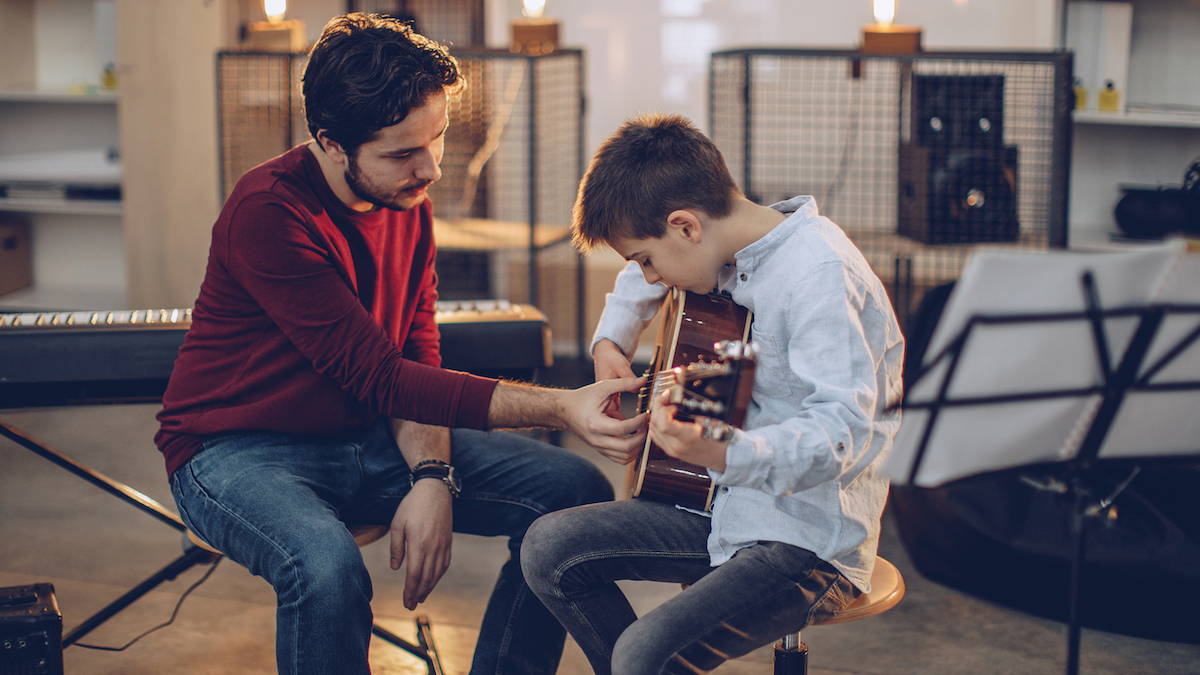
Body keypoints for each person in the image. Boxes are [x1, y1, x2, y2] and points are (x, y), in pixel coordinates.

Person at [155, 13, 646, 675]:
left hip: (365, 438)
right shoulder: (267, 212)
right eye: (402, 153)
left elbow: (416, 345)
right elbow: (384, 378)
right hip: (234, 450)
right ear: (331, 144)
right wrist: (563, 408)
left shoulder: (403, 196)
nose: (431, 169)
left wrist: (432, 475)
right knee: (324, 565)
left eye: (437, 140)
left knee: (571, 491)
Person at [520, 113, 905, 675]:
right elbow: (640, 278)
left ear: (686, 226)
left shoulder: (817, 273)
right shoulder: (723, 245)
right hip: (719, 505)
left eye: (647, 260)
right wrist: (611, 340)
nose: (649, 278)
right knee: (548, 550)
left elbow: (843, 432)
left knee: (639, 655)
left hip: (806, 541)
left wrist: (723, 453)